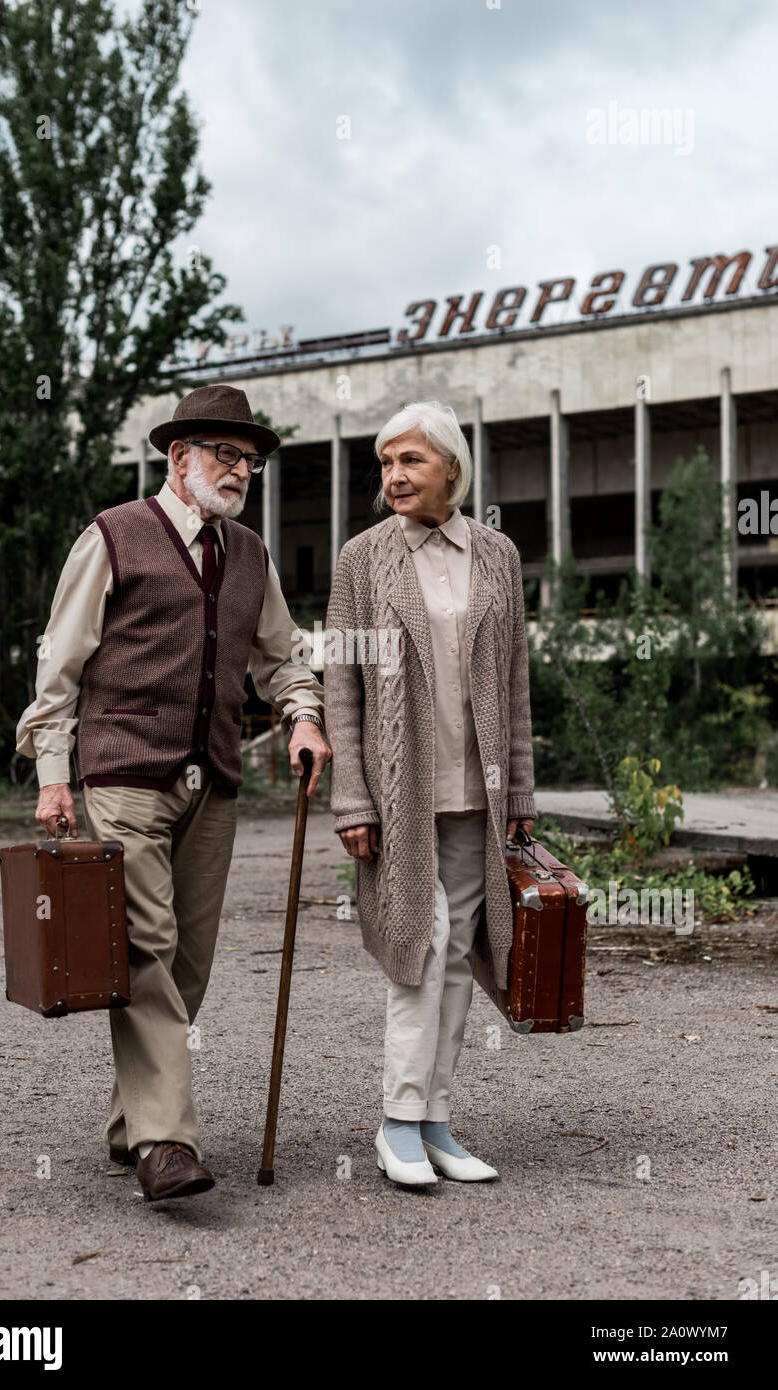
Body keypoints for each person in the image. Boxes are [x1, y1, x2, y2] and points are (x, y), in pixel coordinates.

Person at [16, 383, 331, 1202]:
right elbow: (61, 665)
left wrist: (301, 716)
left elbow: (282, 656)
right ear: (176, 456)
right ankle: (165, 1143)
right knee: (147, 945)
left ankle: (131, 1122)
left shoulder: (251, 555)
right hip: (124, 773)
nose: (239, 471)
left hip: (212, 780)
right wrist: (55, 777)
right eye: (225, 454)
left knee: (188, 962)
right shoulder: (113, 537)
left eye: (250, 461)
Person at [324, 400, 536, 1187]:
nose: (393, 477)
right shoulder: (360, 558)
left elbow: (514, 682)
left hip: (475, 795)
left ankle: (435, 1120)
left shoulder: (497, 556)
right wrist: (353, 798)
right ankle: (397, 1123)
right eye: (384, 464)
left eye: (409, 461)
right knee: (418, 951)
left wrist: (519, 788)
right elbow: (339, 685)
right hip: (399, 795)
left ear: (451, 466)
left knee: (456, 960)